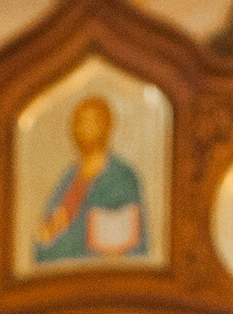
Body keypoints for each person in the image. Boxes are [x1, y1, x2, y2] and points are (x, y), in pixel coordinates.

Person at [34, 95, 148, 262]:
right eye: (78, 122)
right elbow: (51, 222)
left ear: (105, 126)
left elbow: (126, 241)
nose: (82, 129)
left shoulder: (121, 175)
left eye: (90, 122)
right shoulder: (71, 175)